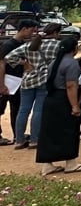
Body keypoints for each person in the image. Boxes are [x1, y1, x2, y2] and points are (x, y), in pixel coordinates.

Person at [36, 35, 81, 176]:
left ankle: (47, 164)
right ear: (75, 48)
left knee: (49, 131)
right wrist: (75, 106)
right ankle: (71, 163)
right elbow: (70, 86)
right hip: (64, 98)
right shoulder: (72, 63)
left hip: (51, 98)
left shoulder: (54, 62)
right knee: (69, 129)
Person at [9, 18, 63, 149]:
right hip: (44, 80)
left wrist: (24, 64)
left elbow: (9, 57)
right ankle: (34, 139)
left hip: (27, 80)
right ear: (55, 33)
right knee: (38, 110)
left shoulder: (29, 45)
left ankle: (19, 140)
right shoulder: (58, 45)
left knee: (23, 110)